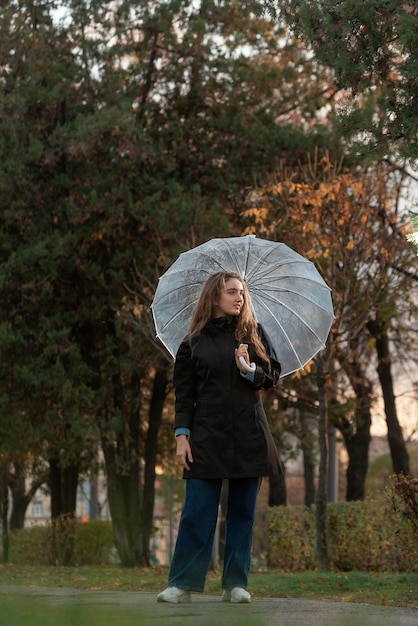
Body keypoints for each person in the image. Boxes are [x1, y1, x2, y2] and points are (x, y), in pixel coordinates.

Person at [157, 270, 281, 604]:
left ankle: (235, 584)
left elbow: (273, 376)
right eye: (231, 292)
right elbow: (184, 395)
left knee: (242, 513)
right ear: (214, 296)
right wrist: (182, 436)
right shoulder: (192, 342)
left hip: (248, 433)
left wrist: (249, 370)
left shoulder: (254, 334)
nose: (239, 297)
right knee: (197, 511)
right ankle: (181, 584)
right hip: (206, 435)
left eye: (241, 292)